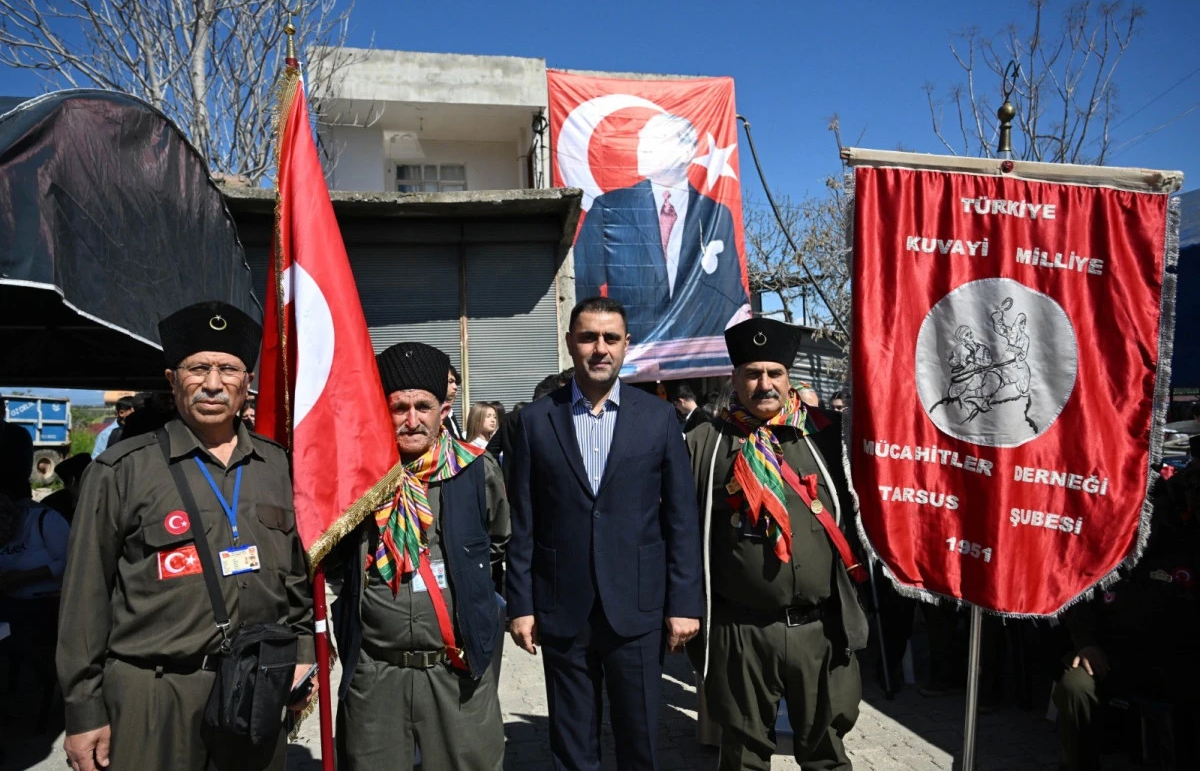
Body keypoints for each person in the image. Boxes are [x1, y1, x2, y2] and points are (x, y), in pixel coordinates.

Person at [57, 301, 315, 771]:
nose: (213, 384)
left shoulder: (278, 466)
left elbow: (298, 579)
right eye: (198, 369)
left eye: (228, 370)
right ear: (172, 380)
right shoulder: (122, 470)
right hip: (154, 696)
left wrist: (300, 659)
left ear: (247, 383)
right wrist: (84, 711)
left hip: (255, 691)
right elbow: (84, 600)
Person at [507, 296, 703, 770]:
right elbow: (523, 521)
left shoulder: (657, 418)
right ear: (570, 343)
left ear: (626, 344)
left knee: (641, 742)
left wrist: (684, 604)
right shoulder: (534, 421)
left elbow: (681, 519)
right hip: (562, 607)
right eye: (589, 337)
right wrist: (521, 605)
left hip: (637, 607)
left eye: (610, 338)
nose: (600, 348)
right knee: (572, 747)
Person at [686, 317, 868, 771]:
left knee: (826, 754)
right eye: (752, 374)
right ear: (734, 379)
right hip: (741, 632)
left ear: (789, 379)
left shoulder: (829, 437)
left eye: (774, 373)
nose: (764, 384)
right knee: (743, 756)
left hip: (819, 630)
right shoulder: (705, 444)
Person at [331, 342, 508, 771]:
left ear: (442, 410)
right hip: (375, 673)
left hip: (457, 671)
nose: (412, 420)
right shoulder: (356, 479)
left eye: (423, 407)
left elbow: (498, 542)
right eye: (399, 408)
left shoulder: (476, 471)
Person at [1053, 475, 1200, 770]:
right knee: (1075, 684)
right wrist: (1086, 643)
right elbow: (1080, 604)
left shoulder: (1187, 550)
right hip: (1114, 656)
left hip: (1176, 660)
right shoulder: (1106, 551)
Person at [574, 114, 750, 345]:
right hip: (631, 352)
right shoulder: (610, 208)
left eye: (655, 140)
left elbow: (731, 292)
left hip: (697, 353)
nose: (642, 149)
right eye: (641, 141)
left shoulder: (715, 215)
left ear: (687, 152)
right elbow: (582, 282)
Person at [0, 422, 70, 731]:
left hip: (41, 606)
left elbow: (67, 563)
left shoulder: (44, 520)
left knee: (26, 641)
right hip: (9, 603)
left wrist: (23, 578)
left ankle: (49, 690)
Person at [443, 365, 464, 440]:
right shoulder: (434, 415)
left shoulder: (450, 413)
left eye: (455, 383)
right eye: (450, 381)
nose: (455, 387)